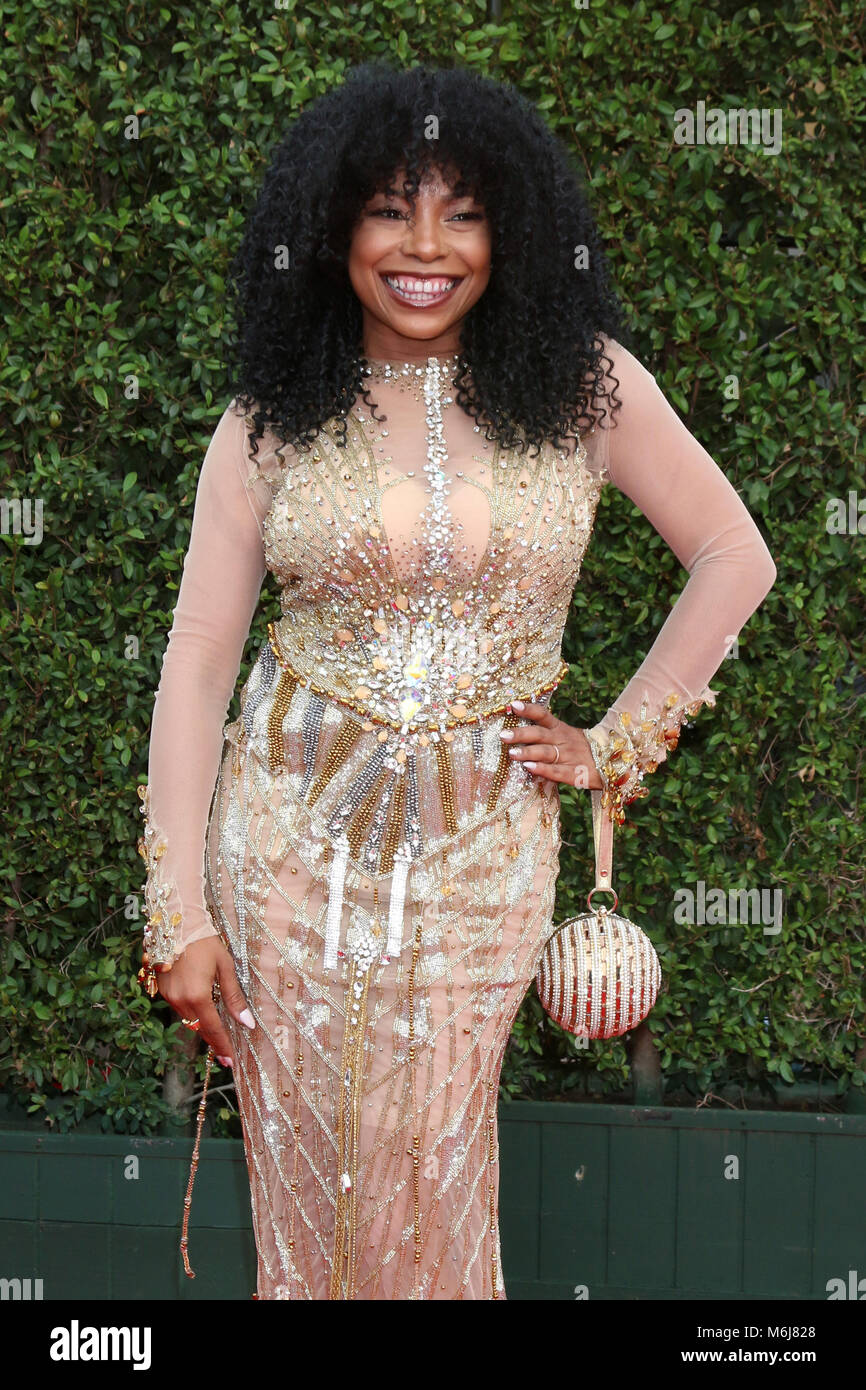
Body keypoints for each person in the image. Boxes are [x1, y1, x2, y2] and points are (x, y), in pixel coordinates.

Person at [136, 63, 776, 1300]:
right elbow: (199, 657)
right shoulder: (266, 419)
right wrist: (181, 912)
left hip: (484, 854)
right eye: (388, 207)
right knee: (306, 1175)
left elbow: (731, 553)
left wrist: (616, 741)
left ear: (511, 230)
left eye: (463, 211)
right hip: (279, 850)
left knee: (430, 1157)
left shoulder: (587, 386)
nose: (424, 246)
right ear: (332, 231)